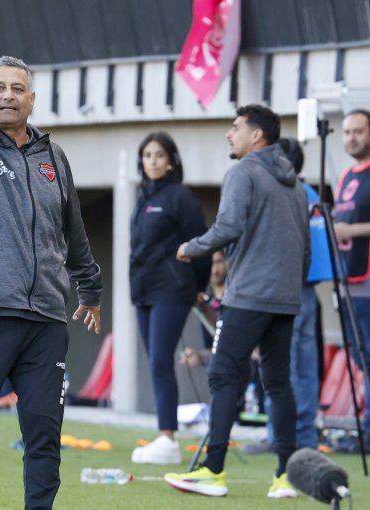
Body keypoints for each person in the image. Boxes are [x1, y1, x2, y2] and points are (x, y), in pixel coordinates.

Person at [0, 23, 103, 510]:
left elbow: (72, 230)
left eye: (17, 89)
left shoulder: (55, 157)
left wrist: (89, 288)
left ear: (32, 100)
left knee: (44, 435)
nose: (7, 96)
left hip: (45, 320)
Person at [165, 105, 310, 498]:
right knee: (278, 383)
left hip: (248, 296)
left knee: (224, 375)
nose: (229, 134)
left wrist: (190, 248)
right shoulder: (295, 184)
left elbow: (229, 226)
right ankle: (286, 476)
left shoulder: (242, 172)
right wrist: (291, 288)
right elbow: (306, 247)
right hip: (285, 297)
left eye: (235, 128)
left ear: (256, 136)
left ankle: (213, 471)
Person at [129, 132, 209, 465]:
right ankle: (165, 437)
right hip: (144, 291)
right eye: (147, 155)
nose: (152, 161)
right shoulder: (143, 198)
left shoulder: (181, 198)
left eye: (159, 155)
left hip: (173, 289)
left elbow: (201, 245)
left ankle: (168, 440)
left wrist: (199, 286)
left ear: (171, 160)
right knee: (155, 363)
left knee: (161, 360)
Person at [243, 137, 327, 454]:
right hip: (309, 292)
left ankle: (279, 436)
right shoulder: (312, 195)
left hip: (283, 293)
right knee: (305, 371)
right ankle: (305, 436)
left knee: (279, 370)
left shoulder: (281, 192)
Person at [332, 109, 370, 453]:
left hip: (368, 281)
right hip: (347, 279)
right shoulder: (345, 176)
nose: (351, 138)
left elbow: (351, 226)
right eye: (346, 132)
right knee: (360, 358)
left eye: (358, 131)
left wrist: (352, 230)